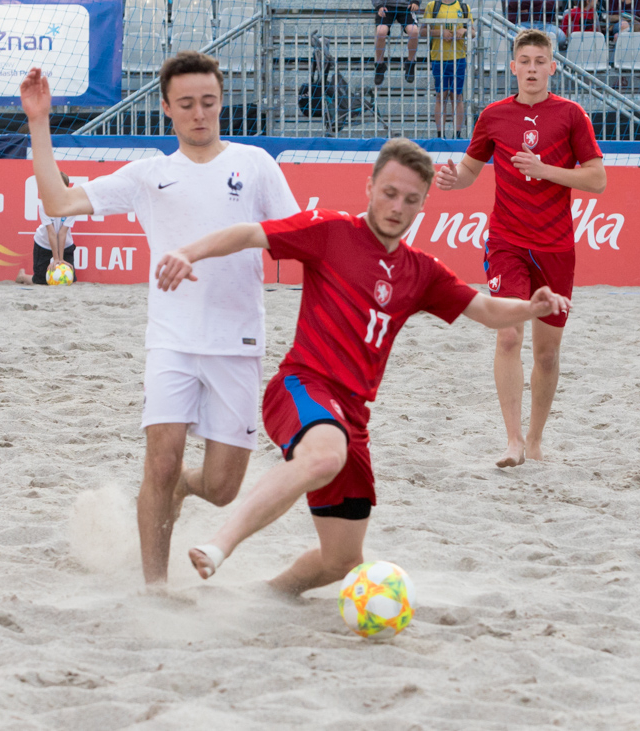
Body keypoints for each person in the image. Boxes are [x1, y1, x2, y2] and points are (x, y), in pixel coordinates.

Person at [168, 137, 569, 586]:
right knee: (323, 456)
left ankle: (265, 594)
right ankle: (220, 544)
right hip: (303, 387)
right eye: (390, 193)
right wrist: (188, 252)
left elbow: (487, 310)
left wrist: (529, 308)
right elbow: (249, 233)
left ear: (422, 205)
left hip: (353, 418)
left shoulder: (422, 271)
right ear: (370, 186)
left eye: (411, 199)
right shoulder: (332, 230)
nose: (398, 206)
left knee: (340, 561)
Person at [22, 53, 299, 585]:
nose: (200, 114)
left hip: (237, 343)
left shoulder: (255, 164)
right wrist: (39, 122)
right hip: (171, 342)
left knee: (221, 488)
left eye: (209, 103)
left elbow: (298, 234)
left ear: (222, 103)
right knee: (161, 462)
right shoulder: (149, 175)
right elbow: (57, 200)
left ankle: (182, 490)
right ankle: (154, 590)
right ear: (168, 110)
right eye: (188, 104)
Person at [435, 29, 603, 466]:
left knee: (547, 354)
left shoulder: (571, 115)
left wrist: (546, 170)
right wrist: (456, 180)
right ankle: (511, 441)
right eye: (524, 61)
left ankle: (534, 440)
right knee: (508, 334)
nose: (531, 68)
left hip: (556, 246)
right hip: (506, 240)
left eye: (539, 61)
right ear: (512, 67)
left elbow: (597, 180)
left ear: (552, 67)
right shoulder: (493, 116)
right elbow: (472, 170)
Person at [421, 0, 470, 136]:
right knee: (441, 96)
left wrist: (464, 30)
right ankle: (440, 133)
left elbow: (473, 31)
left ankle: (457, 133)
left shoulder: (463, 7)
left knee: (457, 97)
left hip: (459, 58)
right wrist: (440, 32)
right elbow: (423, 31)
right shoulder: (432, 7)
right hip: (439, 58)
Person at [16, 172, 78, 286]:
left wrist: (61, 260)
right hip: (44, 243)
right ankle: (22, 276)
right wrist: (56, 259)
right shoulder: (44, 205)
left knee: (69, 280)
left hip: (65, 244)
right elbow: (52, 232)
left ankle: (59, 261)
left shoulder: (72, 206)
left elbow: (63, 233)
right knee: (41, 281)